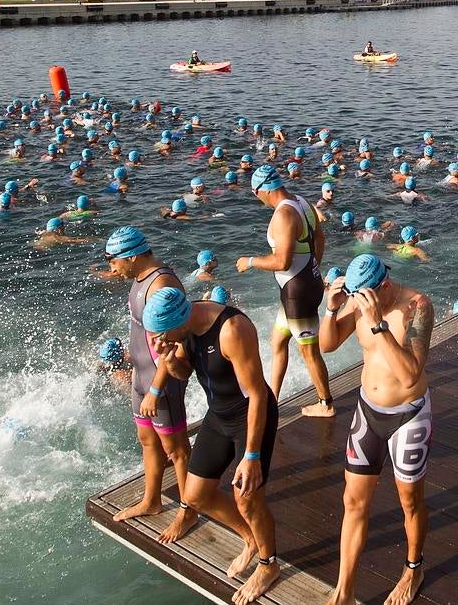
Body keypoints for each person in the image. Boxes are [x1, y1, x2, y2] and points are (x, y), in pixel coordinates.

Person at [143, 286, 283, 604]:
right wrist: (168, 358)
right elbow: (182, 370)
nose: (162, 343)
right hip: (218, 416)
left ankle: (268, 564)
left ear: (178, 321)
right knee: (194, 496)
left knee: (247, 498)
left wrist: (251, 455)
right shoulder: (184, 329)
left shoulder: (232, 330)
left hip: (250, 415)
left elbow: (258, 394)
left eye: (164, 337)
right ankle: (249, 538)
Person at [318, 254, 434, 605]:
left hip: (408, 415)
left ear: (384, 285)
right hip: (369, 411)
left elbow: (411, 373)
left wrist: (377, 324)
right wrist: (330, 309)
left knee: (409, 501)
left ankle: (413, 569)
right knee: (352, 501)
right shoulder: (359, 301)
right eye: (357, 297)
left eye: (366, 296)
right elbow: (326, 344)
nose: (361, 303)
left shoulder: (417, 306)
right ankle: (345, 590)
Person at [102, 226, 192, 523]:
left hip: (161, 381)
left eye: (113, 259)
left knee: (176, 450)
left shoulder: (162, 284)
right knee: (147, 440)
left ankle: (188, 509)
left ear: (133, 255)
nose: (111, 266)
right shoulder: (139, 278)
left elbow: (174, 347)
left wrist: (155, 389)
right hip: (141, 376)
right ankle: (152, 500)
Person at [235, 165, 334, 418]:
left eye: (255, 194)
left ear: (261, 190)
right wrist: (314, 268)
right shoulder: (303, 202)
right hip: (303, 284)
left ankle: (326, 404)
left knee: (308, 351)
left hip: (296, 294)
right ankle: (272, 400)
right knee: (277, 341)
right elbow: (320, 238)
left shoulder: (283, 216)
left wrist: (250, 261)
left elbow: (282, 262)